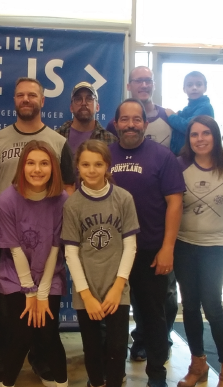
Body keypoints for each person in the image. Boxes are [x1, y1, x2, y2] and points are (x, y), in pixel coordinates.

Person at [0, 77, 75, 384]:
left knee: (45, 322)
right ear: (15, 100)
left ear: (43, 100)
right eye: (20, 95)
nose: (26, 99)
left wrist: (40, 290)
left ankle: (44, 364)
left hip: (48, 244)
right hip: (8, 239)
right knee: (11, 320)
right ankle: (9, 365)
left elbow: (69, 189)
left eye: (32, 95)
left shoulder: (58, 143)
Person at [109, 98, 185, 387]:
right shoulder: (104, 155)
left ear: (146, 123)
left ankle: (156, 374)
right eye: (125, 119)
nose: (130, 124)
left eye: (136, 119)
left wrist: (168, 248)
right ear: (116, 124)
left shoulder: (162, 156)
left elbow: (174, 204)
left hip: (150, 251)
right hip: (111, 254)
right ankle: (112, 372)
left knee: (153, 316)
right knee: (112, 317)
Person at [62, 140, 140, 387]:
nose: (92, 170)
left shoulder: (124, 198)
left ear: (108, 166)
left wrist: (118, 287)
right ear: (78, 167)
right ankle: (95, 382)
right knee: (92, 348)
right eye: (85, 164)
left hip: (117, 288)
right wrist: (86, 295)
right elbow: (71, 254)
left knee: (117, 348)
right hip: (87, 292)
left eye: (98, 164)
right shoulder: (72, 204)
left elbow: (131, 246)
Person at [0, 140, 69, 387]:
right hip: (16, 275)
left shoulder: (62, 200)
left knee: (47, 331)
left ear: (53, 168)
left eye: (44, 163)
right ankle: (5, 381)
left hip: (49, 272)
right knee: (22, 333)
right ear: (22, 167)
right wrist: (29, 290)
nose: (37, 169)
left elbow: (56, 249)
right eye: (31, 163)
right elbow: (14, 249)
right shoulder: (6, 200)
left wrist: (43, 291)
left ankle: (61, 381)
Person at [174, 115, 223, 387]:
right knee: (189, 305)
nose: (200, 139)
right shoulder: (179, 166)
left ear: (215, 136)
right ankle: (197, 362)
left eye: (205, 133)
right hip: (184, 244)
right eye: (194, 135)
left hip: (216, 246)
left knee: (212, 305)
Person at [107, 67, 173, 151]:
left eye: (148, 81)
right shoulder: (116, 125)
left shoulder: (169, 118)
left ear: (154, 86)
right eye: (138, 81)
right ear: (128, 86)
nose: (144, 85)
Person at [55, 81, 118, 154]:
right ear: (71, 108)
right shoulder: (57, 136)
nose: (84, 103)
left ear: (97, 107)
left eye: (89, 99)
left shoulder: (110, 140)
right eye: (78, 99)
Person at [164, 71, 215, 155]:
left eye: (199, 84)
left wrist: (172, 116)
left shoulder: (205, 107)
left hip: (195, 154)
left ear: (205, 88)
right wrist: (178, 114)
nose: (194, 88)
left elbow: (188, 126)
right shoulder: (188, 108)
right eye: (190, 85)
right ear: (184, 89)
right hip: (182, 154)